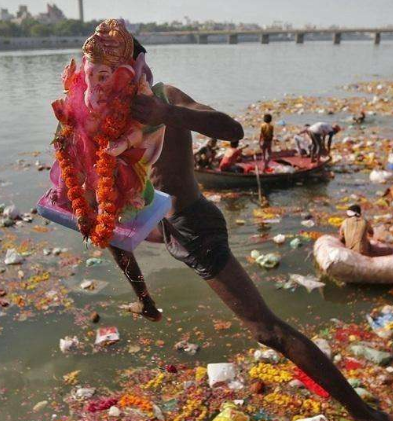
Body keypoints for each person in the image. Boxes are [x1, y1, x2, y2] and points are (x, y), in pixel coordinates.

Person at [82, 23, 391, 421]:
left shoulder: (163, 98)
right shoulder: (107, 125)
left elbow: (233, 130)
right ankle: (146, 301)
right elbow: (109, 220)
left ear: (137, 71)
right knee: (100, 221)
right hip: (164, 226)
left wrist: (168, 114)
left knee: (266, 330)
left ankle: (364, 413)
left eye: (117, 73)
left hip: (195, 225)